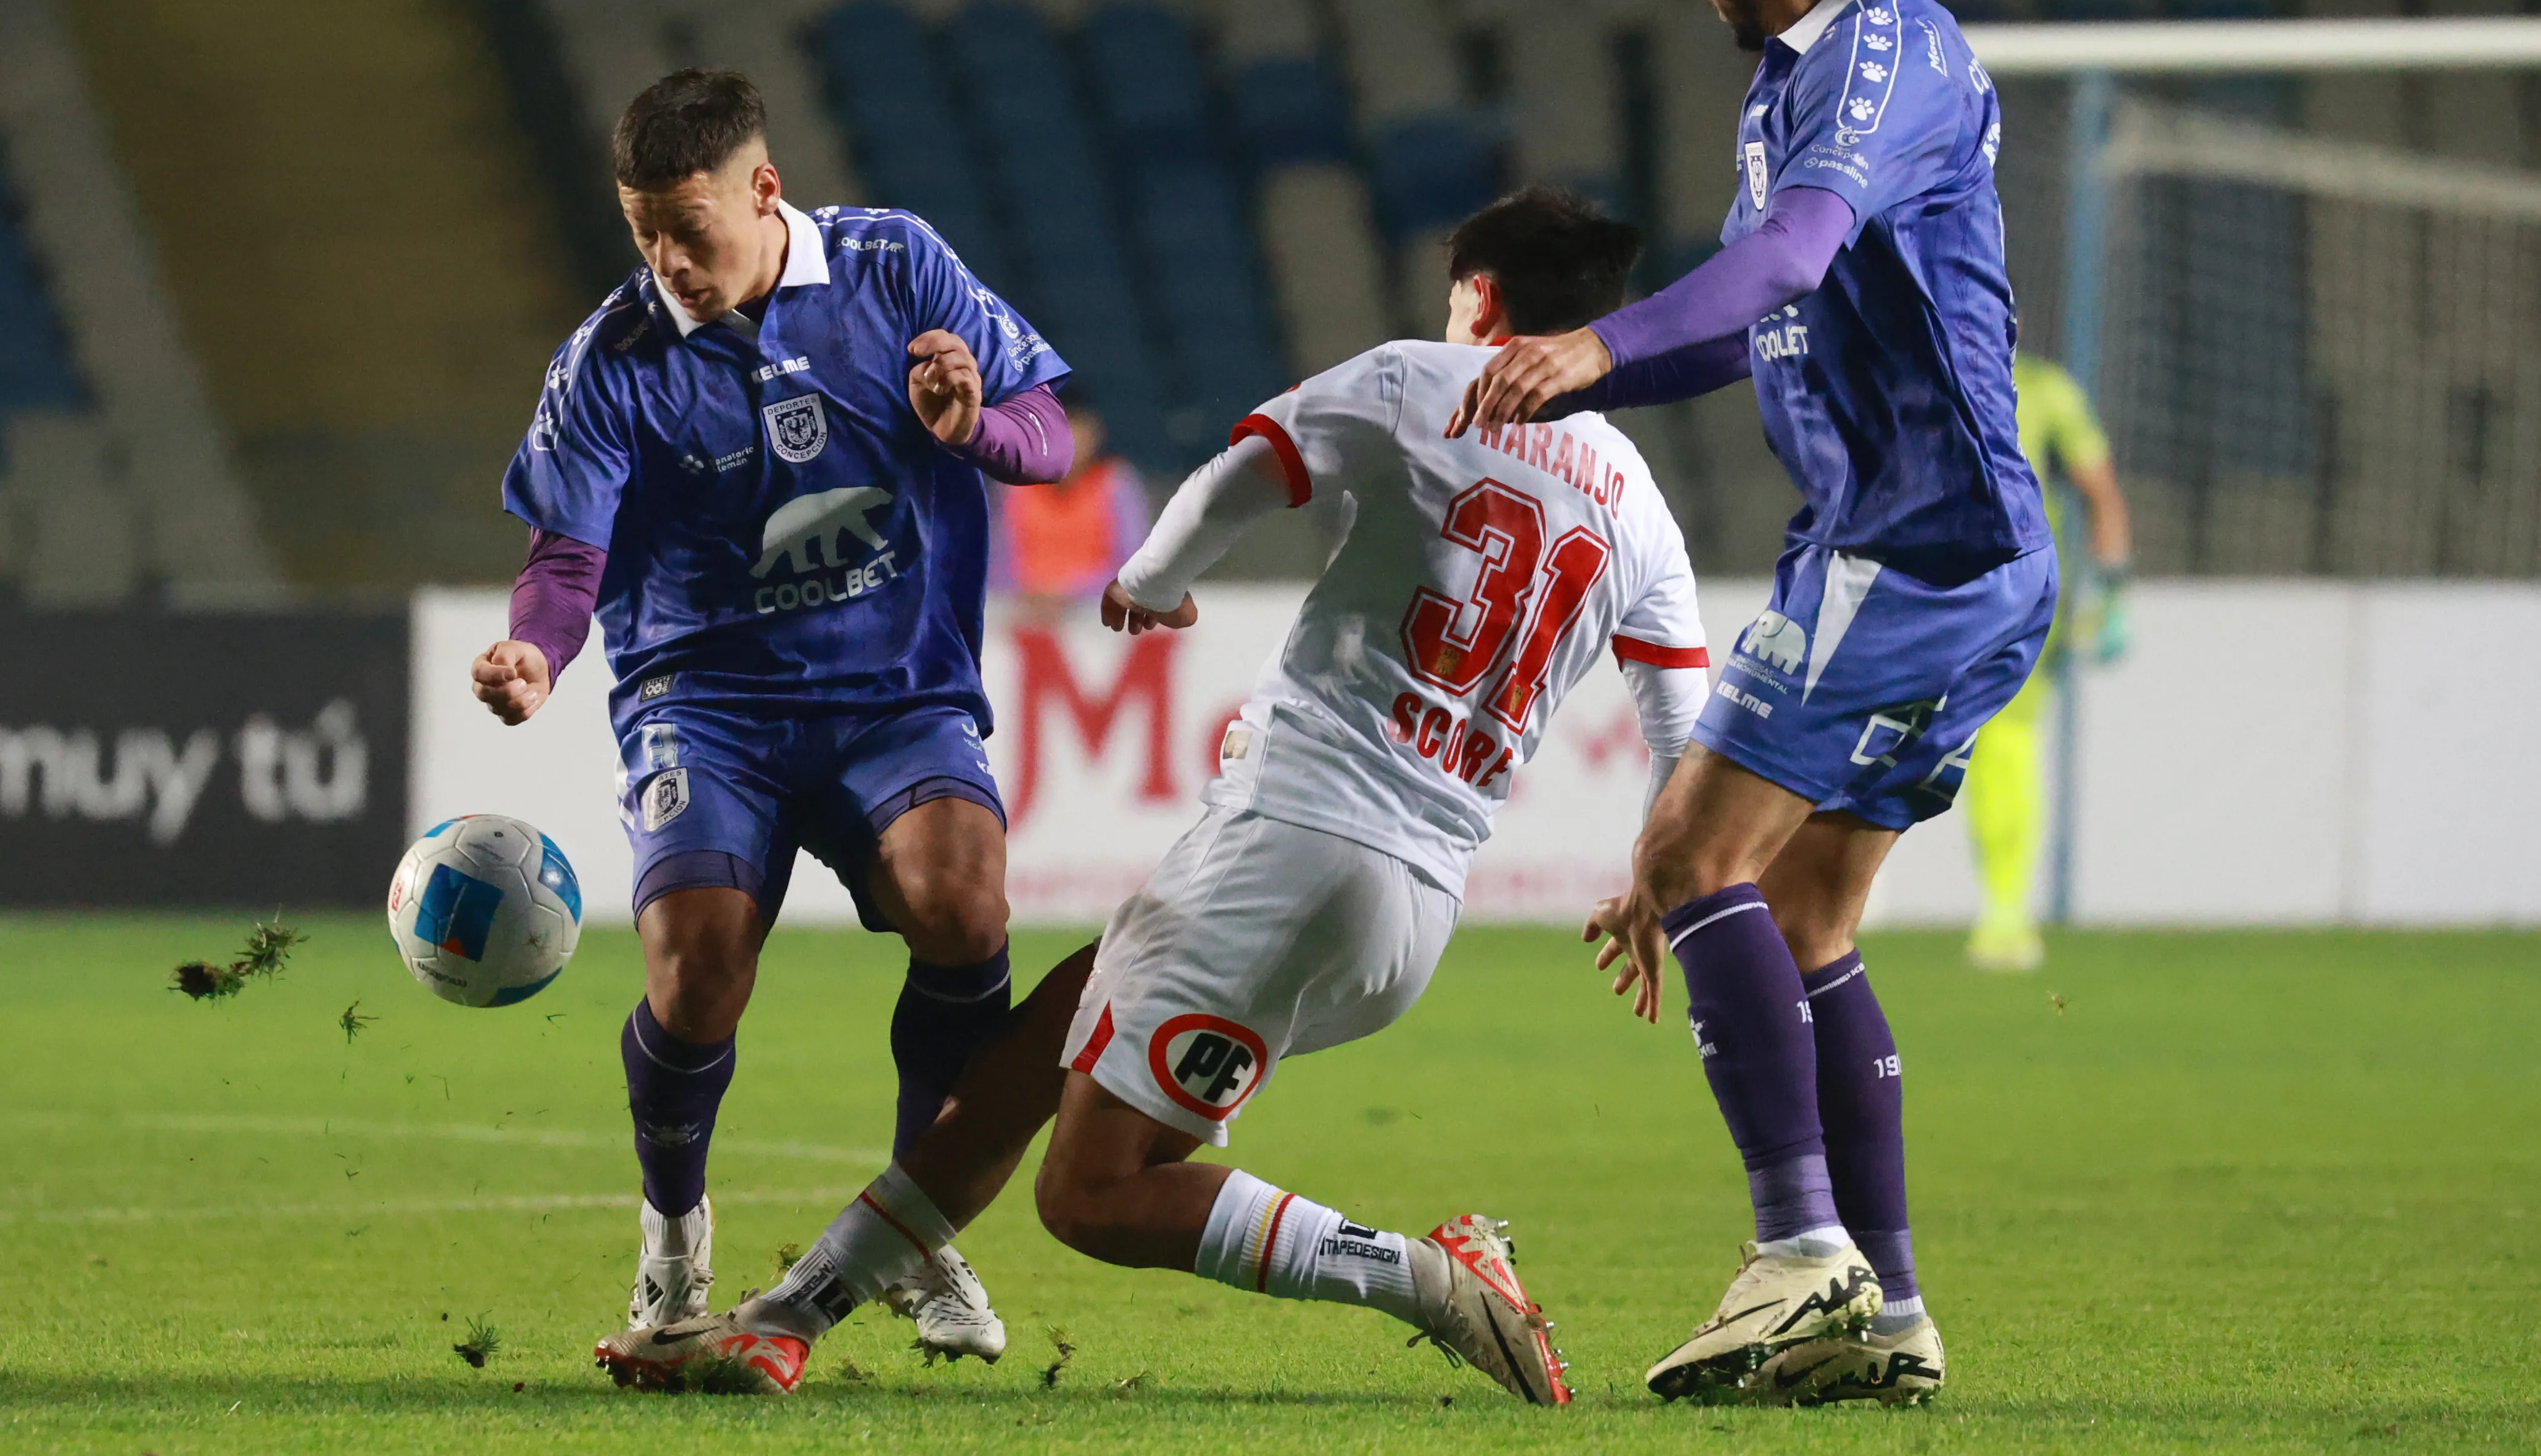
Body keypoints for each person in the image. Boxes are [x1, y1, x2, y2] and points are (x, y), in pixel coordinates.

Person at [596, 187, 1714, 1408]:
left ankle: (1428, 1276)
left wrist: (1150, 577)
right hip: (1409, 913)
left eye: (1460, 295)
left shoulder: (1422, 378)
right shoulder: (1638, 506)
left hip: (1288, 845)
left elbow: (1255, 461)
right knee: (1045, 1046)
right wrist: (1658, 879)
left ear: (1483, 299)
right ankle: (788, 1316)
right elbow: (1682, 733)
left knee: (1091, 1188)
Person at [1452, 0, 2058, 1407]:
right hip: (1902, 543)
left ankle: (1797, 1257)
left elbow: (1787, 263)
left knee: (1684, 856)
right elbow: (1756, 324)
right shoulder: (1789, 88)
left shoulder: (1885, 57)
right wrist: (1606, 375)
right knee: (1794, 917)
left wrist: (1590, 342)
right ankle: (1887, 1310)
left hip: (1913, 542)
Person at [469, 68, 1074, 1358]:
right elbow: (568, 557)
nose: (665, 259)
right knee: (695, 973)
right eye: (641, 230)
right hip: (708, 701)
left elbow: (1044, 429)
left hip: (894, 688)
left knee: (965, 902)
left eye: (686, 224)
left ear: (762, 187)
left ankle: (915, 1233)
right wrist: (534, 649)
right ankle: (673, 1241)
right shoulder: (609, 361)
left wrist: (978, 428)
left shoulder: (895, 265)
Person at [1963, 354, 2132, 971]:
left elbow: (2101, 493)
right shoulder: (1932, 373)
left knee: (2005, 739)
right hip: (1952, 585)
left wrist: (2111, 588)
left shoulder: (2047, 391)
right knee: (1979, 747)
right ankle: (1999, 904)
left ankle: (2005, 909)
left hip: (2024, 588)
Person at [986, 381, 1152, 611]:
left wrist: (1071, 593)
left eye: (1076, 427)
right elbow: (996, 561)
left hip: (1097, 615)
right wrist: (1028, 591)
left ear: (1095, 432)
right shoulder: (1013, 485)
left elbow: (1135, 566)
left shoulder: (1117, 484)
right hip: (1023, 612)